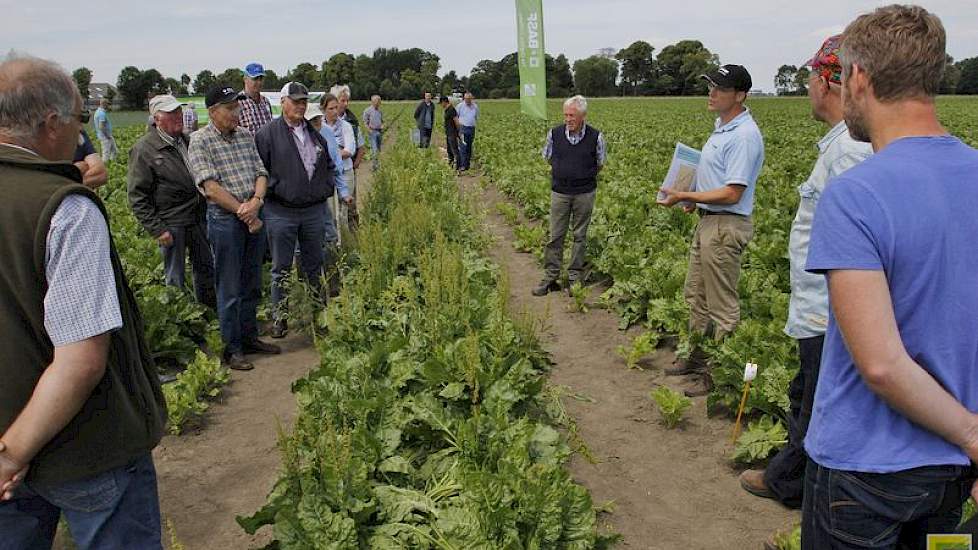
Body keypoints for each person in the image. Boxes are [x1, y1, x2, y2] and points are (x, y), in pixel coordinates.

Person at [799, 6, 978, 549]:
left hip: (865, 475)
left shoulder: (855, 195)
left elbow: (880, 364)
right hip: (953, 475)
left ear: (858, 77)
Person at [0, 54, 167, 549]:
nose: (80, 134)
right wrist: (14, 453)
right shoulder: (64, 207)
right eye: (77, 119)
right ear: (51, 123)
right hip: (83, 447)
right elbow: (80, 360)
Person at [738, 35, 872, 510]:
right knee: (807, 393)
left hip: (831, 312)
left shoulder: (850, 152)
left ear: (827, 82)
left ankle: (800, 486)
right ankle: (793, 475)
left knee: (820, 401)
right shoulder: (840, 147)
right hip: (822, 308)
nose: (808, 88)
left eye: (811, 78)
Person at [657, 64, 764, 397]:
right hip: (709, 220)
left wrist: (686, 195)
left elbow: (733, 192)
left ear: (740, 95)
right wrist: (696, 201)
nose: (711, 92)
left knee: (722, 305)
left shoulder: (744, 135)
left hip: (725, 226)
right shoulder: (723, 127)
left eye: (719, 88)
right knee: (697, 296)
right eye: (710, 86)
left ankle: (719, 373)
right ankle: (695, 357)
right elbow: (718, 181)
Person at [188, 85, 280, 371]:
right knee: (229, 285)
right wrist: (245, 212)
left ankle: (250, 336)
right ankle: (233, 347)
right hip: (225, 220)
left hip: (251, 212)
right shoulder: (200, 141)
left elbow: (260, 172)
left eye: (236, 107)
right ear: (213, 112)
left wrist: (256, 200)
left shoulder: (244, 136)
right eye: (229, 108)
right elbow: (211, 188)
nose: (235, 112)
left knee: (252, 280)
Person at [255, 83, 336, 340]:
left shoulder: (315, 134)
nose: (301, 105)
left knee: (314, 265)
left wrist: (325, 187)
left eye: (303, 101)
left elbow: (328, 166)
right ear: (283, 102)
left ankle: (318, 315)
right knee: (281, 268)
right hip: (281, 212)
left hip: (313, 211)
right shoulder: (267, 134)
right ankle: (280, 318)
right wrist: (275, 191)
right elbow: (259, 172)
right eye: (296, 101)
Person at [128, 94, 216, 310]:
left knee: (205, 267)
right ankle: (177, 316)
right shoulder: (144, 150)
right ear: (157, 119)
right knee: (174, 274)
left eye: (179, 111)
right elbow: (137, 196)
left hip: (197, 216)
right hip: (171, 221)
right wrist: (157, 229)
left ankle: (207, 311)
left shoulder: (188, 140)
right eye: (171, 113)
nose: (178, 117)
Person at [532, 95, 606, 297]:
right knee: (555, 235)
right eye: (566, 115)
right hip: (560, 193)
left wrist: (581, 176)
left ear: (583, 116)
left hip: (584, 193)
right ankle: (551, 276)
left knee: (579, 236)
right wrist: (564, 172)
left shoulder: (595, 137)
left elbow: (600, 163)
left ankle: (574, 276)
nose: (568, 119)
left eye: (572, 115)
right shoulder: (554, 134)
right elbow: (548, 157)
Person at [321, 93, 356, 236]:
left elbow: (349, 150)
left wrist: (330, 154)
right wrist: (336, 152)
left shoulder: (346, 126)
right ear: (323, 110)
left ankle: (344, 240)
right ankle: (331, 241)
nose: (335, 111)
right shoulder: (319, 126)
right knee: (329, 209)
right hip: (326, 174)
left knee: (343, 210)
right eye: (331, 108)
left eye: (336, 108)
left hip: (345, 171)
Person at [331, 85, 364, 231]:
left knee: (349, 203)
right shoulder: (323, 121)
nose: (345, 104)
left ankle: (352, 233)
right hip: (330, 170)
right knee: (333, 207)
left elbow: (359, 145)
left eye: (347, 101)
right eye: (342, 100)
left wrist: (355, 163)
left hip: (347, 168)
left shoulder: (351, 121)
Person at [238, 62, 273, 136]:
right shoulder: (238, 102)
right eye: (255, 79)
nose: (259, 82)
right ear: (245, 79)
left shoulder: (266, 102)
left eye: (261, 78)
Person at [456, 91, 479, 171]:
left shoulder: (475, 106)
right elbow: (456, 117)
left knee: (469, 146)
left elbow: (476, 117)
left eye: (469, 99)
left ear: (471, 98)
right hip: (462, 128)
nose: (467, 100)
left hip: (471, 129)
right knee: (463, 147)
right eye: (466, 99)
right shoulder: (460, 106)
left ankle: (467, 165)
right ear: (464, 99)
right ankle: (462, 165)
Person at [362, 94, 383, 171]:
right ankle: (375, 167)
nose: (379, 103)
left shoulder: (380, 111)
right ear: (373, 102)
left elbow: (381, 121)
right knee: (374, 150)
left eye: (379, 101)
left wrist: (382, 126)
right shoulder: (367, 111)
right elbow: (365, 122)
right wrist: (369, 130)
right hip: (372, 132)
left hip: (379, 132)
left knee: (378, 149)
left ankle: (377, 164)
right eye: (378, 101)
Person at [93, 98, 117, 162]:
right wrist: (107, 135)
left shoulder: (97, 112)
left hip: (105, 135)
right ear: (104, 104)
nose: (108, 106)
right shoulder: (101, 114)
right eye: (108, 104)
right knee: (106, 154)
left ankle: (112, 163)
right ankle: (105, 166)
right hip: (105, 136)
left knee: (114, 151)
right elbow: (101, 127)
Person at [439, 96, 460, 169]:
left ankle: (458, 168)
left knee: (455, 150)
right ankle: (450, 165)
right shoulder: (447, 110)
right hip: (448, 133)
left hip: (452, 133)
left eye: (441, 103)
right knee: (449, 150)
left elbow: (456, 121)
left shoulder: (451, 109)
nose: (441, 105)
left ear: (444, 102)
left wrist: (458, 132)